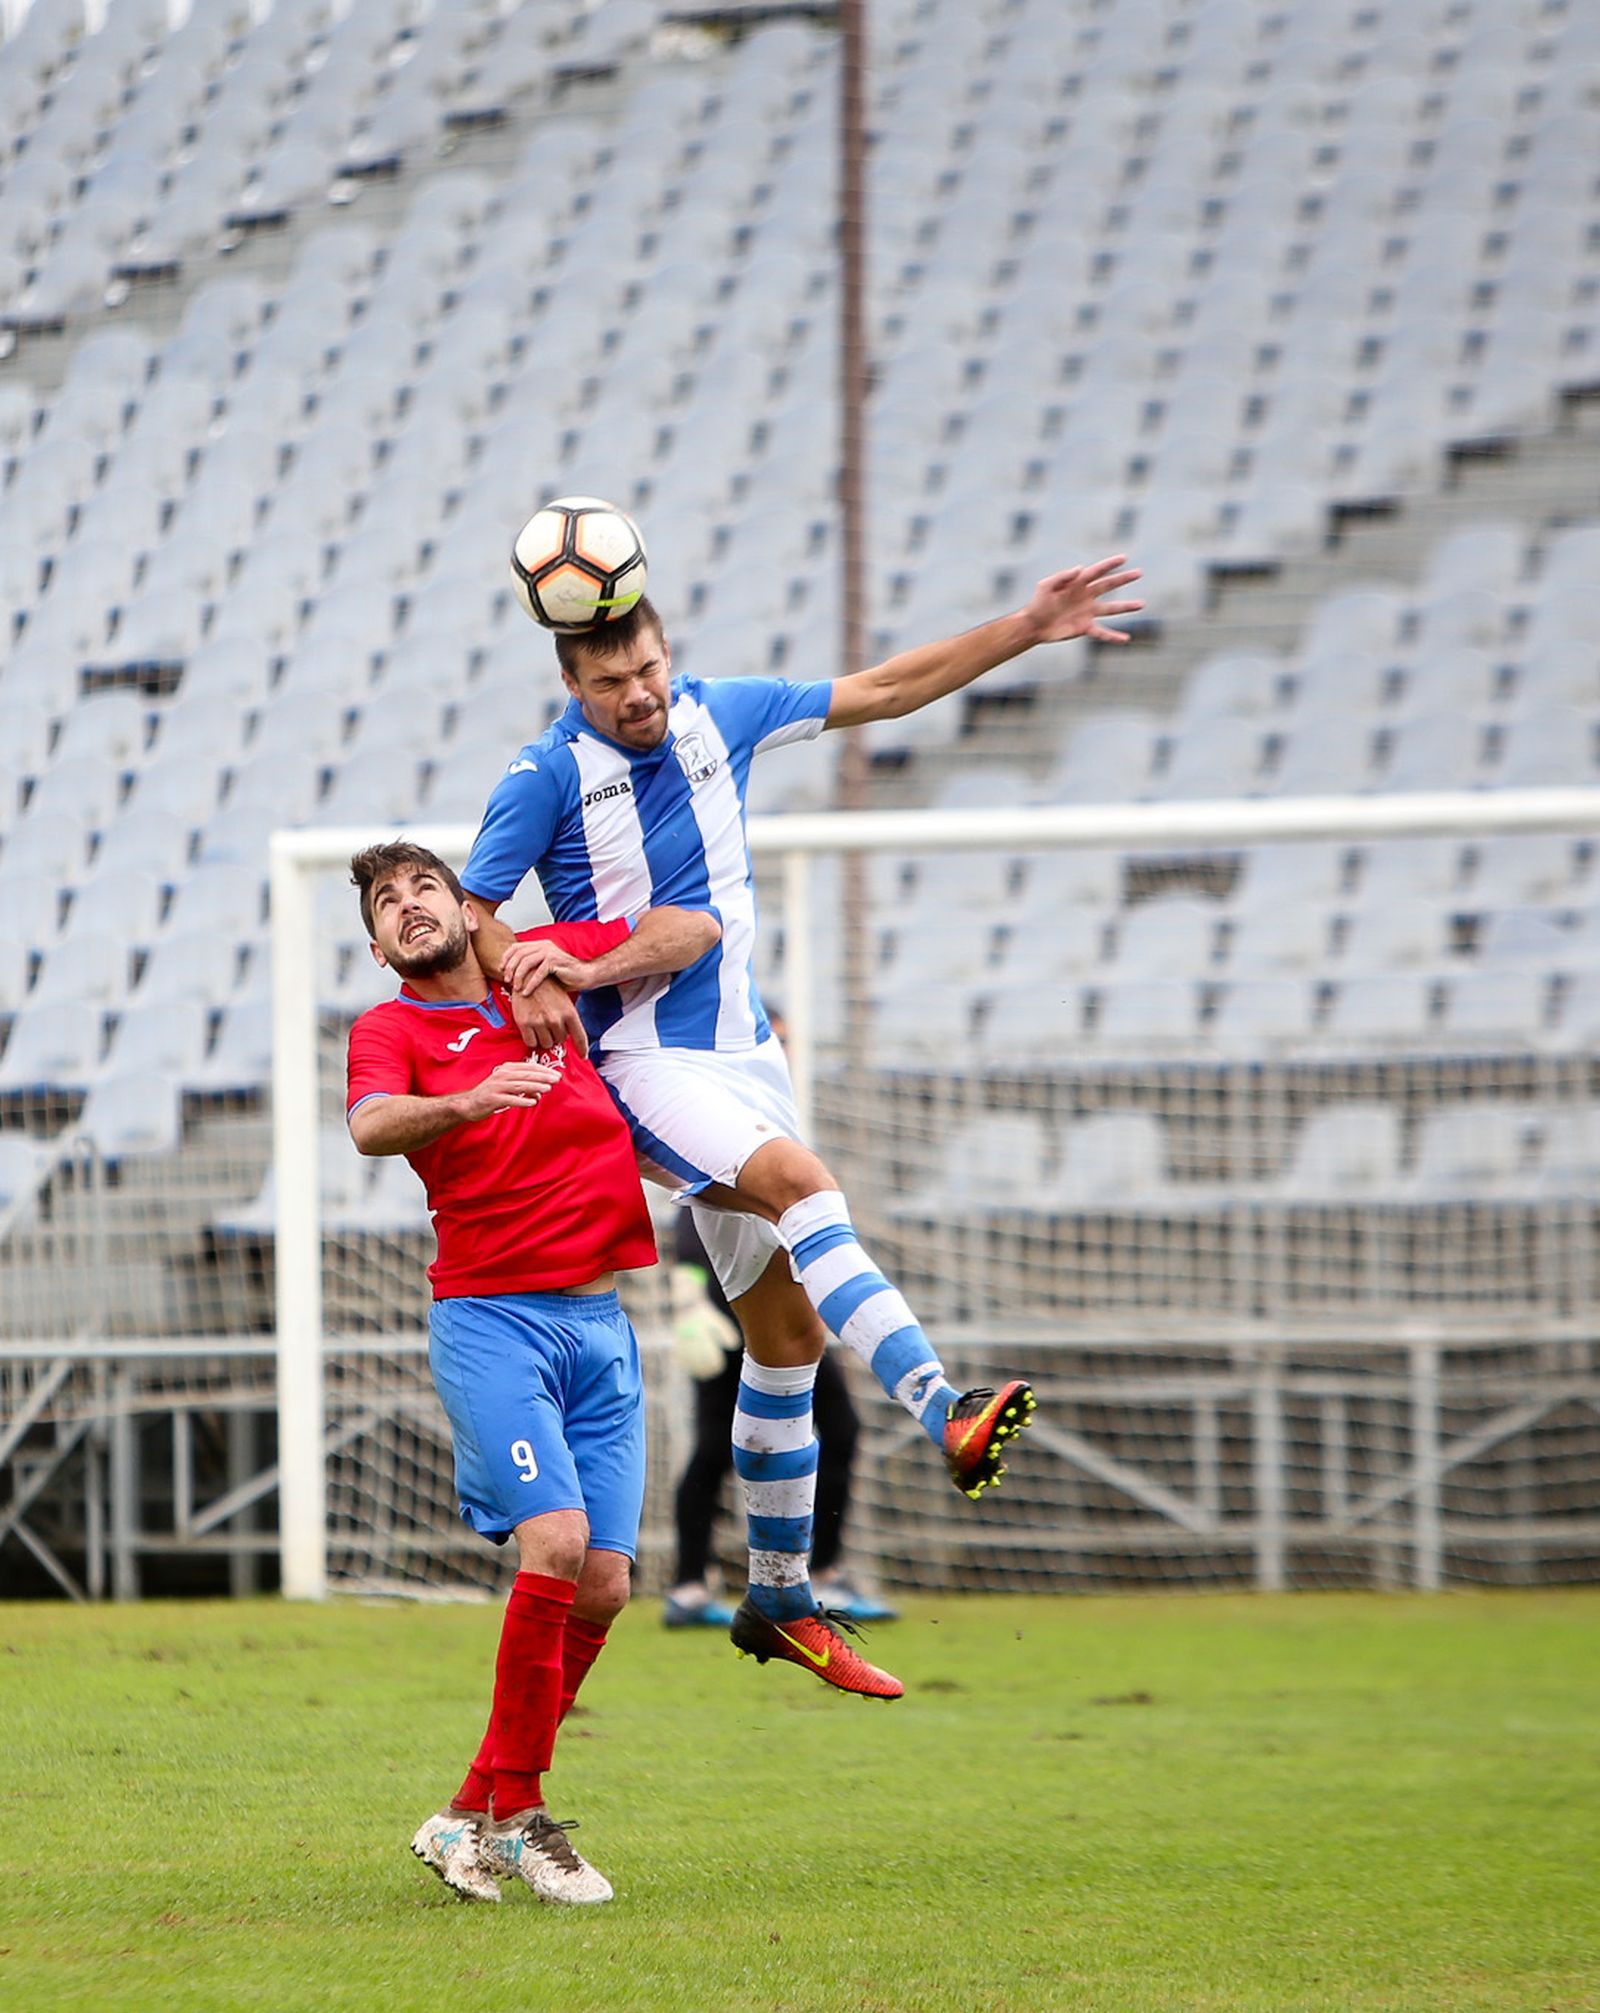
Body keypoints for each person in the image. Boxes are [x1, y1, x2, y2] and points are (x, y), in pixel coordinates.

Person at [461, 556, 1144, 1702]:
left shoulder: (718, 713)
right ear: (571, 685)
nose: (638, 693)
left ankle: (777, 1598)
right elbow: (474, 910)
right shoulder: (545, 775)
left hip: (748, 1057)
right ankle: (944, 1406)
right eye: (611, 682)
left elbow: (885, 688)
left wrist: (1026, 628)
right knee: (801, 1183)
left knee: (785, 1340)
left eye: (648, 668)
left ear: (668, 655)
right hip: (643, 1064)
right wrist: (527, 976)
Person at [344, 840, 720, 1904]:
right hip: (492, 1322)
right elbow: (370, 1124)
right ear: (378, 949)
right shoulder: (389, 1030)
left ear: (469, 907)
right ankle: (520, 1816)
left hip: (600, 1323)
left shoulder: (540, 967)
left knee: (605, 1583)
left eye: (424, 886)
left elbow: (696, 928)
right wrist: (468, 1099)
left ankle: (468, 1811)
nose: (408, 906)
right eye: (385, 903)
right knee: (554, 1542)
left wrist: (577, 971)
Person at [664, 1202, 896, 1628]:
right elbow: (693, 1218)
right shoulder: (717, 1173)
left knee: (841, 1430)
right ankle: (690, 1586)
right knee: (714, 1448)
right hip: (730, 1323)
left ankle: (822, 1573)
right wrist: (688, 1305)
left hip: (782, 1321)